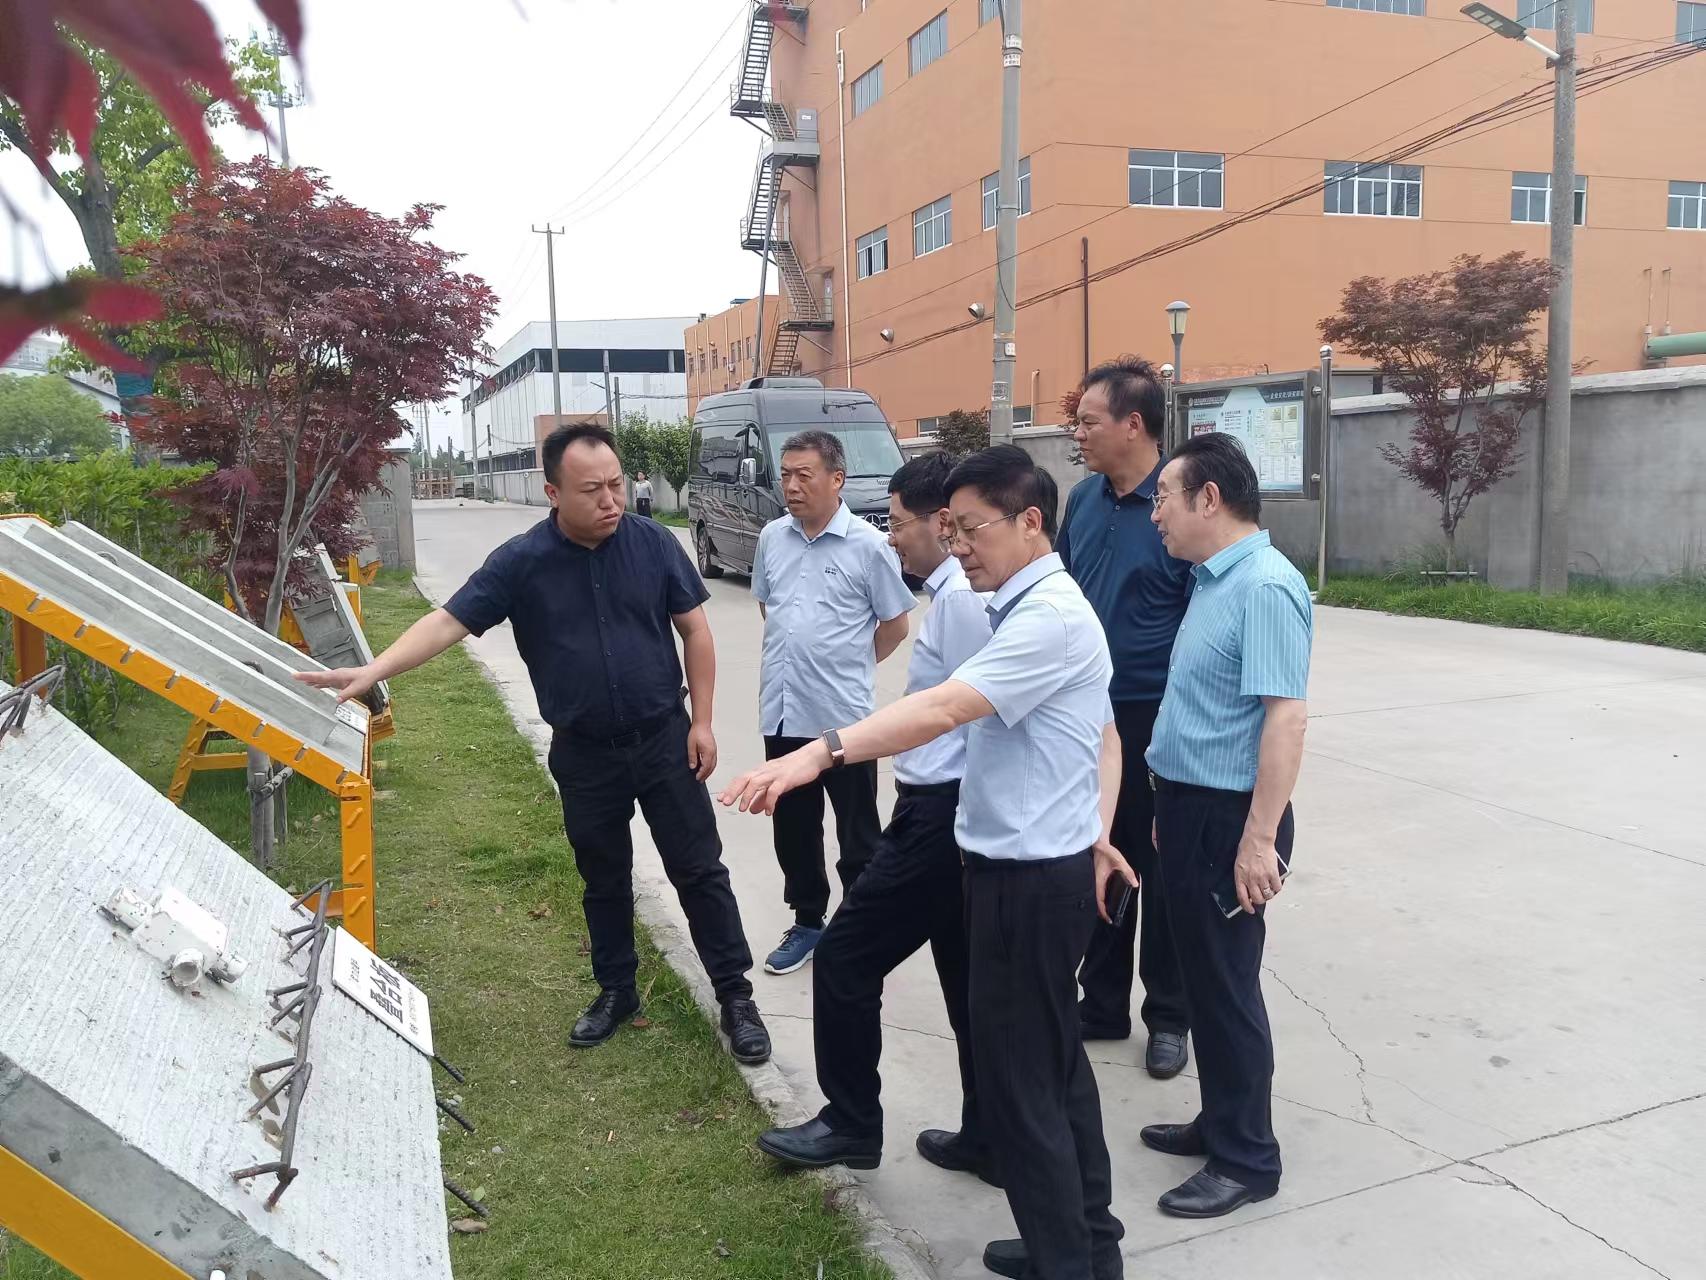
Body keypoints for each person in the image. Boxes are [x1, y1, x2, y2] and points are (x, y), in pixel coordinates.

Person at [722, 446, 1132, 1280]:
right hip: (1024, 868)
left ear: (1029, 522)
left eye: (971, 528)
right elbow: (1087, 734)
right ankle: (1086, 1247)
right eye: (949, 528)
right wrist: (1095, 830)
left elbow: (944, 707)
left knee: (1025, 1088)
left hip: (1027, 882)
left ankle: (1071, 1260)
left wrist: (819, 753)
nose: (958, 545)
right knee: (1052, 1072)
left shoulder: (1045, 618)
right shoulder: (1024, 606)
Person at [295, 423, 771, 1067]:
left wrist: (703, 721)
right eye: (592, 490)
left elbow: (696, 631)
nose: (611, 500)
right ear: (553, 492)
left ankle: (735, 997)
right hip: (584, 753)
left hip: (664, 740)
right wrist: (374, 670)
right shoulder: (521, 562)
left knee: (699, 870)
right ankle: (617, 990)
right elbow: (447, 621)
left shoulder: (654, 542)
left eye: (616, 484)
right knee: (602, 877)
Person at [755, 451, 996, 1184]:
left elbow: (956, 716)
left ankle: (851, 1123)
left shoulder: (963, 602)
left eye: (897, 523)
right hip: (948, 811)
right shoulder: (956, 594)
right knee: (965, 982)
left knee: (847, 958)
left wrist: (829, 749)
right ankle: (987, 1132)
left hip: (941, 816)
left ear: (942, 523)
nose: (891, 538)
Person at [1141, 431, 1312, 1219]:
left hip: (1229, 821)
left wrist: (1257, 841)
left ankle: (1247, 1159)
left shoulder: (1266, 586)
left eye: (1164, 499)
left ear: (1208, 499)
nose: (1156, 516)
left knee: (1227, 988)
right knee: (1202, 983)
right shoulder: (1213, 580)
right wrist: (1166, 806)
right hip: (1187, 810)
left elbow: (1285, 720)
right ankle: (1219, 1121)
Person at [1059, 356, 1195, 1080]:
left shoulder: (1180, 504)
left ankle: (1168, 1015)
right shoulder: (1083, 500)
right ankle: (1102, 1001)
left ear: (1133, 424)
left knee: (1161, 867)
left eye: (1089, 421)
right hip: (1088, 714)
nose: (1077, 433)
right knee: (1101, 849)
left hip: (1157, 717)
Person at [751, 429, 914, 976]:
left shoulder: (868, 546)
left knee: (857, 830)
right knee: (793, 827)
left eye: (805, 475)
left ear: (837, 479)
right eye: (786, 475)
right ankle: (807, 922)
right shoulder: (772, 537)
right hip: (782, 710)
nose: (792, 486)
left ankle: (859, 926)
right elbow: (769, 607)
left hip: (845, 720)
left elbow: (894, 624)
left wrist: (850, 665)